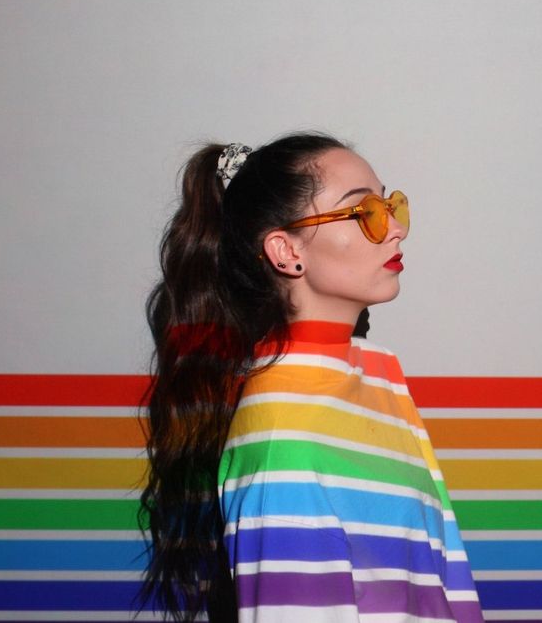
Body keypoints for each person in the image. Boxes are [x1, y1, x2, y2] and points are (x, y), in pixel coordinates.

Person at [140, 133, 484, 622]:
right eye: (364, 213)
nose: (395, 230)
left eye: (390, 206)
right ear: (285, 251)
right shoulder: (284, 436)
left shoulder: (372, 380)